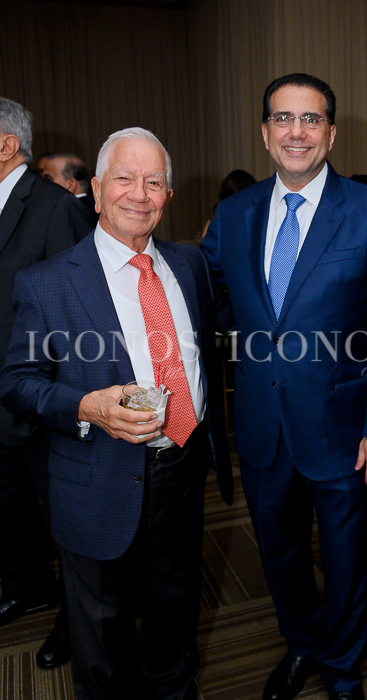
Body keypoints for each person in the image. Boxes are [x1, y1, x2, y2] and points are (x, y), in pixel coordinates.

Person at [201, 73, 367, 700]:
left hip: (346, 431)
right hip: (262, 426)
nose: (297, 132)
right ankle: (301, 644)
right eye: (283, 119)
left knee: (351, 560)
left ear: (332, 133)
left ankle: (343, 669)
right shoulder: (234, 215)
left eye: (311, 119)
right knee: (280, 553)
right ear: (265, 134)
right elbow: (210, 297)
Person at [0, 127, 233, 700]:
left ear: (168, 196)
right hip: (96, 478)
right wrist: (85, 405)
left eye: (154, 182)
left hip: (181, 471)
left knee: (175, 620)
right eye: (125, 178)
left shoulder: (190, 266)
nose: (139, 193)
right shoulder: (47, 282)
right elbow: (16, 381)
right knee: (102, 646)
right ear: (97, 190)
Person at [0, 97, 93, 667]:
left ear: (6, 144)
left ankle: (74, 623)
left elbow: (81, 312)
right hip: (2, 394)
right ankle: (29, 585)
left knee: (67, 519)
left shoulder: (56, 207)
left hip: (44, 396)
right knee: (8, 506)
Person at [38, 152, 99, 226]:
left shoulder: (64, 214)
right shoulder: (97, 210)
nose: (41, 183)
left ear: (71, 185)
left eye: (48, 179)